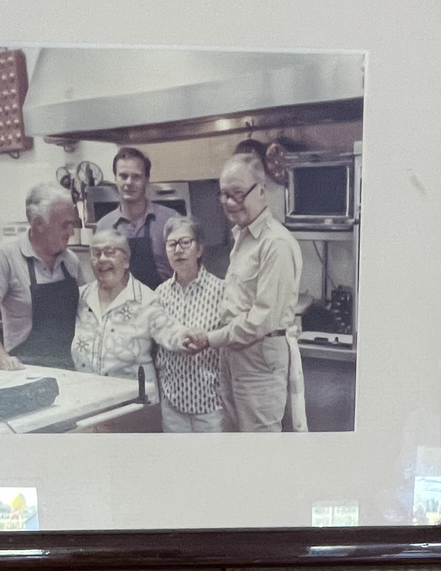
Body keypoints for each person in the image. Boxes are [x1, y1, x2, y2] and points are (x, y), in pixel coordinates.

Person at [181, 151, 304, 433]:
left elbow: (261, 320)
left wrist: (209, 339)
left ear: (261, 191)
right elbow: (238, 303)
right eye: (223, 194)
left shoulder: (276, 244)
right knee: (237, 441)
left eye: (236, 193)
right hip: (234, 355)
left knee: (260, 449)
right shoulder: (243, 235)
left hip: (260, 358)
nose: (228, 203)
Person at [0, 182, 84, 370]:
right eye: (65, 225)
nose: (71, 232)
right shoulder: (6, 256)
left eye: (72, 224)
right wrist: (2, 358)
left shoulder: (70, 261)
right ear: (39, 224)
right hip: (26, 366)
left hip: (69, 364)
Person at [147, 215, 226, 433]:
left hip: (211, 404)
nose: (178, 250)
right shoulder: (159, 294)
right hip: (172, 403)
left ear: (199, 249)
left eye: (185, 243)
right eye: (172, 244)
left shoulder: (222, 291)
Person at [71, 226, 157, 395]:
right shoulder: (79, 297)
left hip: (133, 403)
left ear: (126, 261)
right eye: (96, 254)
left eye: (110, 252)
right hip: (87, 397)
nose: (102, 259)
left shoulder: (148, 300)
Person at [93, 147, 172, 289]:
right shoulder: (104, 227)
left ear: (147, 179)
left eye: (136, 176)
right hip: (120, 307)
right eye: (123, 176)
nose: (129, 182)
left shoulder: (169, 220)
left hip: (163, 307)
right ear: (115, 179)